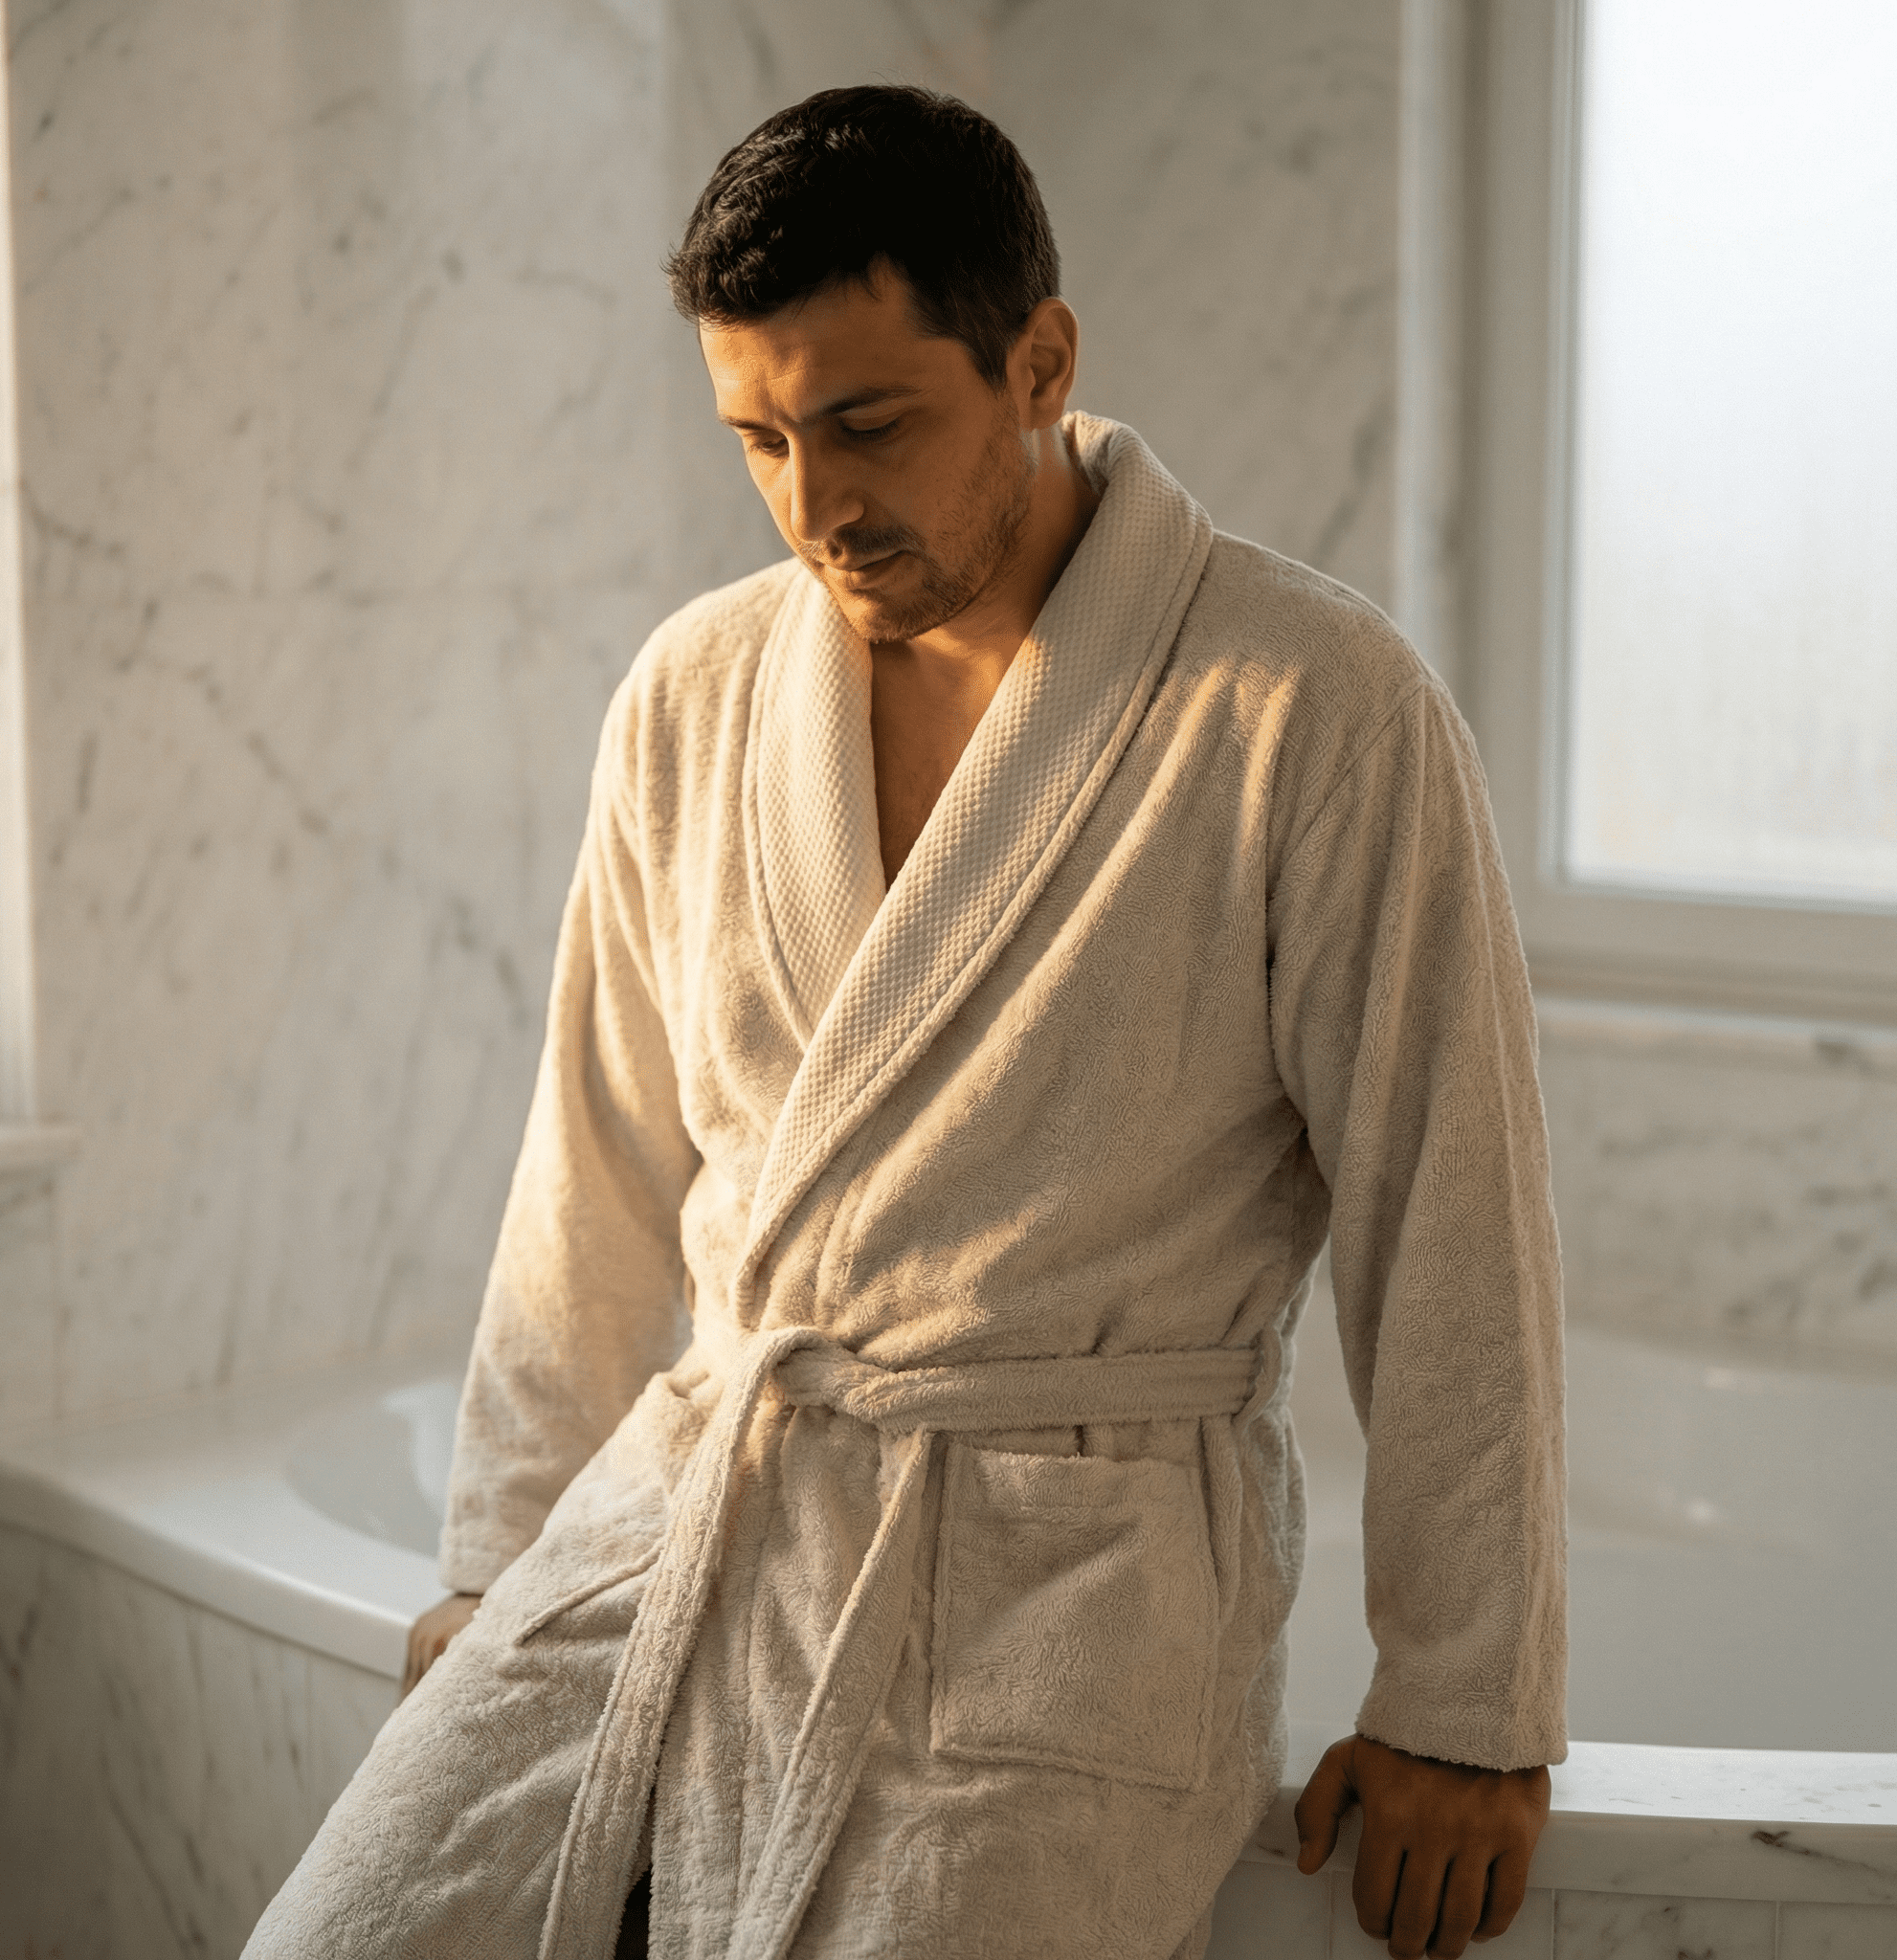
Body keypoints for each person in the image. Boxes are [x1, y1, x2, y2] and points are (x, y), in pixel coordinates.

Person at [246, 84, 1565, 1960]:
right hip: (692, 1513)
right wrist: (502, 1556)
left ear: (1040, 363)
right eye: (759, 439)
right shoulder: (693, 690)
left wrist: (1465, 1698)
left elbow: (1454, 1210)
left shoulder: (1309, 705)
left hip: (1061, 1591)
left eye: (869, 425)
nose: (815, 507)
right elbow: (592, 1167)